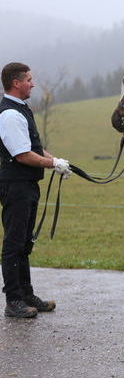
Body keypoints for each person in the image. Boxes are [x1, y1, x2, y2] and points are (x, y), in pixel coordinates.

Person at [0, 62, 71, 318]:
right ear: (16, 83)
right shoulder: (9, 114)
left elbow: (33, 147)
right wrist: (52, 163)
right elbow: (22, 154)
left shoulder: (21, 110)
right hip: (15, 185)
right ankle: (14, 301)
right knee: (14, 243)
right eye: (29, 79)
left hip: (26, 185)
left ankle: (26, 293)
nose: (33, 83)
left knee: (24, 243)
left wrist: (57, 162)